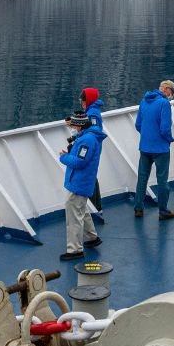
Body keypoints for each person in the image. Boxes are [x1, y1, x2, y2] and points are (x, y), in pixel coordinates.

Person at [59, 112, 106, 261]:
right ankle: (91, 237)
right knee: (81, 210)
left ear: (79, 125)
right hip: (82, 181)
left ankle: (75, 250)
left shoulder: (87, 140)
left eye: (73, 124)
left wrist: (64, 157)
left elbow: (80, 162)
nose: (71, 127)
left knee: (73, 216)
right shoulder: (87, 137)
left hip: (79, 182)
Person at [135, 80, 174, 221]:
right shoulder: (164, 104)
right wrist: (169, 139)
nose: (172, 95)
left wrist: (148, 135)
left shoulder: (143, 101)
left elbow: (138, 125)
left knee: (142, 178)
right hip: (160, 149)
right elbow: (165, 128)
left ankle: (138, 209)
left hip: (145, 147)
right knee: (162, 180)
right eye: (171, 92)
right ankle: (163, 211)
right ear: (166, 89)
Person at [79, 87, 106, 211]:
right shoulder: (91, 111)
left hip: (91, 149)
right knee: (92, 176)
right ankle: (96, 206)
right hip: (93, 147)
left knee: (91, 176)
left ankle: (96, 207)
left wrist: (80, 135)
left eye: (83, 101)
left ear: (88, 101)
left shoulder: (92, 113)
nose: (81, 104)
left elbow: (93, 131)